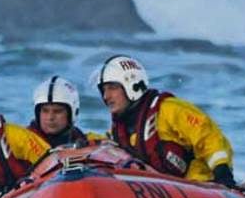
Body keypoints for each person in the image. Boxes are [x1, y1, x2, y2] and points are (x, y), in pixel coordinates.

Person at [91, 55, 236, 186]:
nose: (106, 96)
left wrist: (222, 172)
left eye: (112, 88)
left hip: (202, 186)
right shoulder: (121, 129)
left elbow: (208, 137)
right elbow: (106, 144)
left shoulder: (169, 110)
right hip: (165, 191)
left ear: (132, 85)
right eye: (103, 90)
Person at [28, 76, 88, 147]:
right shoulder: (22, 145)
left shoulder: (82, 140)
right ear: (38, 114)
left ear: (71, 113)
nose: (50, 117)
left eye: (57, 111)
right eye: (45, 111)